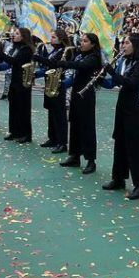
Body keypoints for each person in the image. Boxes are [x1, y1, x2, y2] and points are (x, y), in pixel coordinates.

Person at [44, 32, 102, 173]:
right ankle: (74, 156)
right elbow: (74, 73)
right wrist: (62, 84)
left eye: (85, 41)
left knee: (87, 127)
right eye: (81, 40)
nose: (82, 43)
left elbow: (80, 66)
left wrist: (62, 63)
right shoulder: (80, 54)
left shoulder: (94, 57)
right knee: (74, 125)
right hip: (76, 93)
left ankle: (90, 161)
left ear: (93, 44)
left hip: (86, 96)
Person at [102, 34, 139, 199]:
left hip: (133, 109)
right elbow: (114, 83)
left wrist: (112, 72)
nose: (123, 46)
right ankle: (118, 178)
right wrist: (100, 78)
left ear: (136, 45)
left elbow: (131, 84)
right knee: (120, 143)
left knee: (134, 147)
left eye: (127, 43)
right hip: (122, 107)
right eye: (123, 43)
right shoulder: (125, 61)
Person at [40, 29, 71, 153]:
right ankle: (52, 138)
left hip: (58, 84)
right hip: (50, 83)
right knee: (51, 113)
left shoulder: (65, 51)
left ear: (60, 38)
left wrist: (39, 58)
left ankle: (62, 142)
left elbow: (53, 64)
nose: (51, 39)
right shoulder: (54, 50)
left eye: (53, 37)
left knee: (59, 115)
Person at [2, 28, 35, 142]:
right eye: (14, 33)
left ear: (23, 36)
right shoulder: (16, 47)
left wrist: (1, 54)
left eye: (17, 34)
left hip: (23, 81)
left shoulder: (26, 49)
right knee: (14, 106)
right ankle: (14, 131)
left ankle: (25, 134)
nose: (13, 35)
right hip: (15, 80)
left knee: (23, 108)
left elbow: (16, 62)